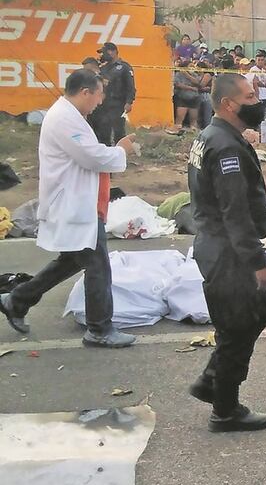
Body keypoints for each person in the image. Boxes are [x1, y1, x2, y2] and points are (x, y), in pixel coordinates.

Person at [0, 70, 138, 347]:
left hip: (79, 201)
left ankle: (17, 299)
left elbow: (88, 152)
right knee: (98, 265)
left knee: (73, 261)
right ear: (85, 92)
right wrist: (121, 150)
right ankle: (99, 329)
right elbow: (91, 156)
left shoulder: (70, 116)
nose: (100, 102)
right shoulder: (64, 118)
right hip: (75, 205)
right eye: (99, 95)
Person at [186, 72, 266, 432]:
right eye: (250, 97)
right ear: (228, 104)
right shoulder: (225, 147)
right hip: (227, 251)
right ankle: (224, 408)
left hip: (217, 245)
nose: (257, 103)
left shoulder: (212, 135)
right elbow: (234, 213)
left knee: (251, 314)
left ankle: (212, 381)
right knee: (238, 325)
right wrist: (260, 263)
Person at [91, 42, 135, 146]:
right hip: (104, 104)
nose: (103, 55)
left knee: (118, 132)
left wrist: (129, 102)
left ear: (113, 52)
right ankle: (106, 154)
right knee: (103, 131)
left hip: (118, 104)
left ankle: (121, 154)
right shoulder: (104, 67)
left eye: (105, 52)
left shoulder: (124, 67)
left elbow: (130, 86)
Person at [169, 57, 202, 135]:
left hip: (194, 99)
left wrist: (187, 75)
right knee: (179, 119)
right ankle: (176, 131)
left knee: (193, 119)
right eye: (190, 66)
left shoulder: (194, 74)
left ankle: (193, 134)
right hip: (182, 98)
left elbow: (197, 82)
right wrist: (191, 88)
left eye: (193, 66)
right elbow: (178, 84)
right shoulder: (178, 75)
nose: (192, 67)